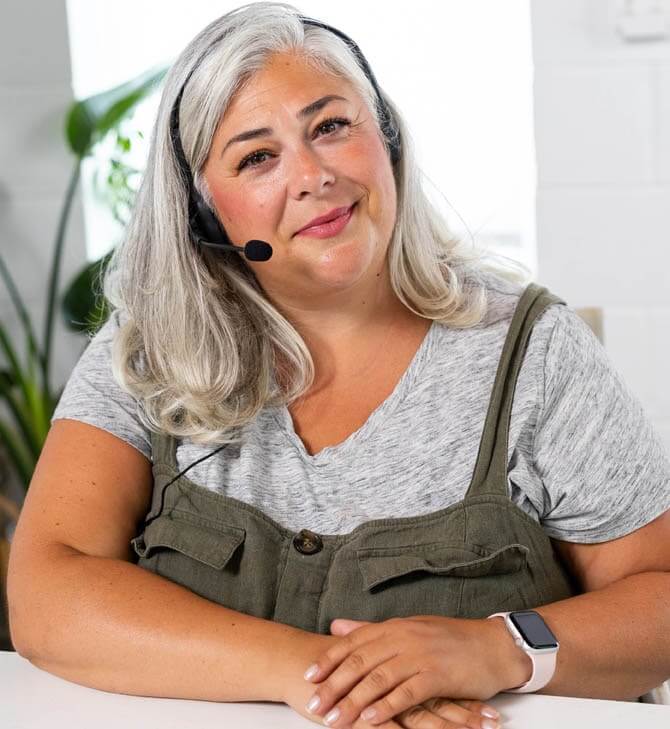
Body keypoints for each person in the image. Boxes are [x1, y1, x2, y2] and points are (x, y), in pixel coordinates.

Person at [7, 2, 670, 727]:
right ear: (205, 214)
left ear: (384, 140)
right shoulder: (150, 350)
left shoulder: (535, 348)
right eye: (257, 157)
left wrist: (499, 646)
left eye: (330, 126)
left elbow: (659, 594)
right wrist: (318, 674)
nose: (314, 176)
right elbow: (47, 591)